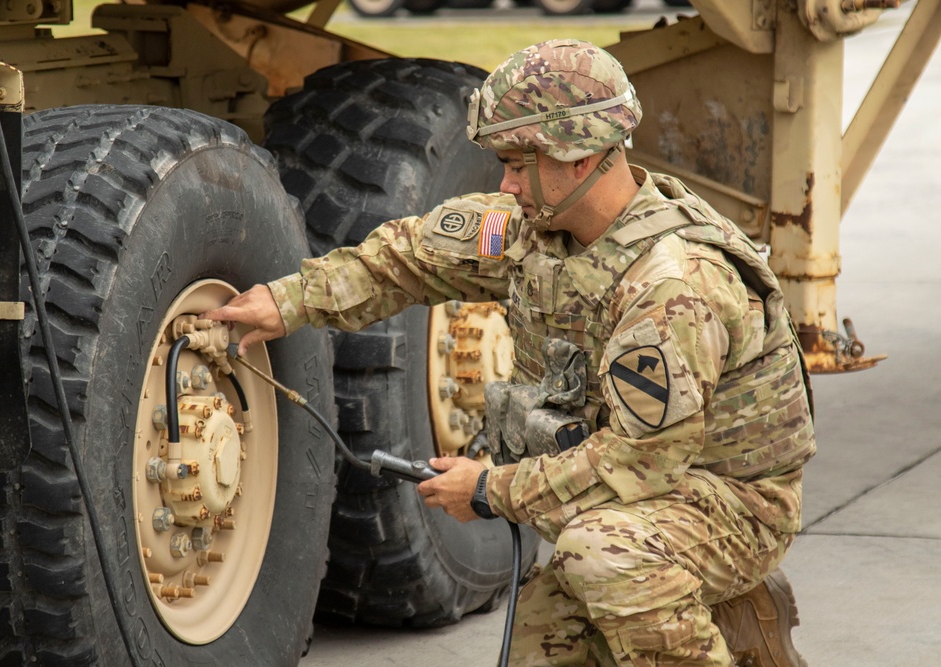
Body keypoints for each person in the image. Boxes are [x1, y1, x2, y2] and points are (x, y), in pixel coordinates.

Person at [203, 39, 815, 667]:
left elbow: (639, 462)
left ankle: (713, 598)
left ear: (582, 159)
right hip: (641, 486)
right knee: (541, 644)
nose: (506, 183)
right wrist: (285, 302)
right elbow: (408, 258)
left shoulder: (674, 286)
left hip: (728, 501)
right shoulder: (533, 226)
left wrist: (489, 489)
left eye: (521, 163)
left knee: (601, 558)